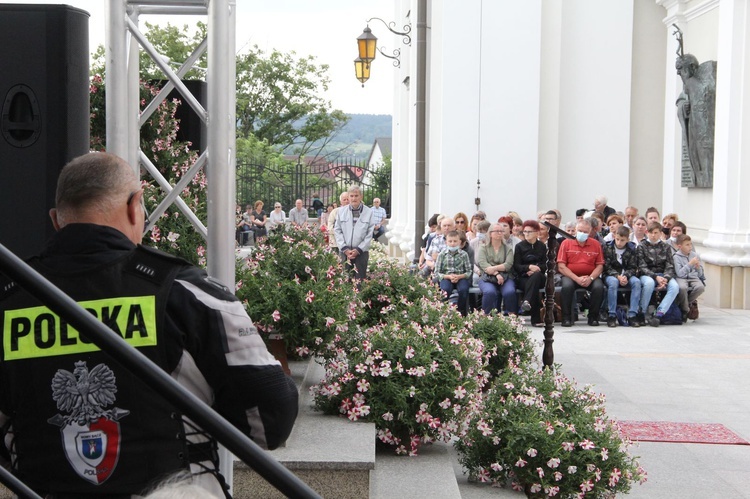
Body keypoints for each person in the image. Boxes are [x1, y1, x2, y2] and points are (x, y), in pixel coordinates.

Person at [0, 152, 298, 497]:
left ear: (56, 220)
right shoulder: (187, 291)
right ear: (134, 206)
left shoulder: (8, 299)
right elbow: (270, 421)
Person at [676, 52, 716, 188]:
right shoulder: (686, 88)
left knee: (705, 158)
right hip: (694, 131)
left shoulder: (705, 83)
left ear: (692, 67)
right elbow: (680, 102)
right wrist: (683, 107)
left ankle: (705, 176)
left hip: (705, 134)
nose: (678, 73)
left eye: (680, 69)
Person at [556, 219, 605, 327]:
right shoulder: (566, 243)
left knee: (598, 287)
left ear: (590, 231)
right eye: (580, 230)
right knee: (567, 287)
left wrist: (591, 278)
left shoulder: (596, 244)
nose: (582, 233)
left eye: (585, 232)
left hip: (590, 276)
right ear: (576, 230)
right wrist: (576, 279)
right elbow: (561, 266)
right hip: (570, 276)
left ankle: (593, 317)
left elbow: (600, 265)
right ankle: (567, 318)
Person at [637, 222, 680, 327]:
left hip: (663, 274)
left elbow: (670, 265)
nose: (653, 235)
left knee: (675, 287)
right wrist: (655, 277)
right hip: (647, 275)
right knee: (649, 284)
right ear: (647, 233)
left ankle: (659, 313)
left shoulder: (666, 246)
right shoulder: (642, 246)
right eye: (651, 232)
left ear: (660, 233)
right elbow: (641, 266)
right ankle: (642, 312)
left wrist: (665, 278)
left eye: (656, 233)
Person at [602, 226, 642, 328]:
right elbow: (606, 267)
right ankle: (611, 315)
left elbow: (633, 267)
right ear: (614, 236)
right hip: (611, 275)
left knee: (637, 282)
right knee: (613, 283)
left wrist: (625, 276)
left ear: (628, 239)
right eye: (617, 239)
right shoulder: (608, 247)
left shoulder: (632, 249)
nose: (619, 242)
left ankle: (632, 314)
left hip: (626, 275)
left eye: (622, 240)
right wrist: (617, 276)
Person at [334, 185, 375, 280]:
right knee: (344, 281)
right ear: (348, 197)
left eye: (356, 196)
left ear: (361, 196)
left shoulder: (369, 212)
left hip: (361, 253)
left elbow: (369, 234)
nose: (354, 198)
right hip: (345, 253)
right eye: (351, 196)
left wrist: (358, 250)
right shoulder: (341, 212)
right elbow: (337, 230)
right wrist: (345, 248)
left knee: (360, 282)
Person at [477, 223, 517, 316]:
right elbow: (483, 264)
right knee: (489, 292)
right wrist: (496, 274)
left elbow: (508, 265)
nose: (499, 233)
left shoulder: (508, 248)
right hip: (487, 277)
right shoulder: (483, 248)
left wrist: (493, 268)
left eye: (501, 231)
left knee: (509, 291)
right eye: (497, 231)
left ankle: (513, 316)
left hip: (506, 277)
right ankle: (485, 316)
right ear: (490, 233)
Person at [513, 220, 547, 327]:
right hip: (523, 277)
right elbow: (516, 265)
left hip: (539, 275)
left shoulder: (542, 246)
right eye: (525, 232)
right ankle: (535, 320)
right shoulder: (519, 246)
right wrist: (528, 267)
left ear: (537, 233)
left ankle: (527, 301)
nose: (526, 234)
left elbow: (545, 264)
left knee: (536, 278)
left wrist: (535, 268)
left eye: (529, 232)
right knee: (533, 287)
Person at [434, 230, 472, 316]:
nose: (452, 243)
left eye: (455, 241)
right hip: (446, 277)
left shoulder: (464, 254)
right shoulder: (442, 255)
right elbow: (437, 272)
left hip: (460, 277)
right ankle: (443, 311)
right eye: (450, 241)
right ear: (446, 242)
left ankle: (461, 312)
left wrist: (459, 276)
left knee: (463, 290)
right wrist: (448, 276)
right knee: (445, 290)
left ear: (459, 242)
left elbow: (469, 271)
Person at [673, 234, 705, 321]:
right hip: (682, 278)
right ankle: (685, 310)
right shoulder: (676, 257)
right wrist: (690, 264)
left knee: (700, 287)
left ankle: (684, 304)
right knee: (682, 288)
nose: (690, 247)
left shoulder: (694, 255)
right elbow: (679, 274)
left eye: (690, 244)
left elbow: (700, 274)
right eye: (687, 245)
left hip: (693, 277)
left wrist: (698, 268)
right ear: (680, 246)